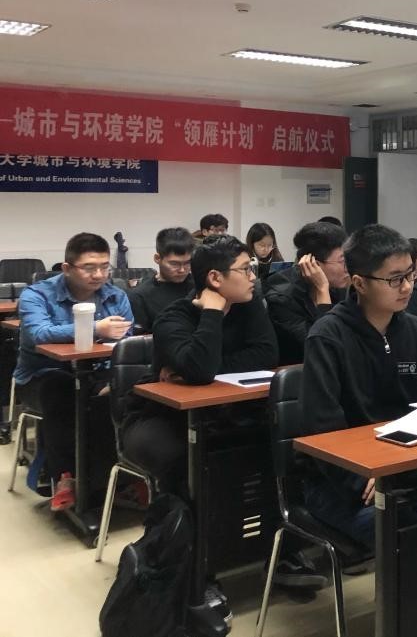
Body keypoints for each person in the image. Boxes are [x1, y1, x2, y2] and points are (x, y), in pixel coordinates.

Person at [120, 235, 288, 622]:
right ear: (214, 278)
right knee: (190, 462)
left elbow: (266, 354)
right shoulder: (173, 317)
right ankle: (197, 569)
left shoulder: (250, 305)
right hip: (159, 418)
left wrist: (208, 368)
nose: (253, 277)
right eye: (244, 270)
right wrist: (211, 315)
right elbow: (199, 369)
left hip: (224, 414)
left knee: (274, 450)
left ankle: (278, 551)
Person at [300, 224, 417, 546]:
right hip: (341, 480)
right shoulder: (327, 337)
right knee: (404, 530)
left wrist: (407, 467)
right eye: (395, 279)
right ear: (359, 283)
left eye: (410, 275)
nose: (407, 287)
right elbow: (322, 428)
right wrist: (361, 474)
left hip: (406, 467)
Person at [15, 232, 133, 511]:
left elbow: (126, 338)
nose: (99, 275)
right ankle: (64, 477)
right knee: (61, 390)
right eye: (89, 268)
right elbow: (39, 333)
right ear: (67, 268)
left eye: (104, 267)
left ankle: (105, 481)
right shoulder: (36, 295)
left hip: (97, 372)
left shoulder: (116, 295)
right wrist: (95, 328)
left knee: (113, 396)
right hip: (42, 375)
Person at [266, 222, 350, 365]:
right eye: (342, 261)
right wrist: (322, 290)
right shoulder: (282, 297)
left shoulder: (340, 286)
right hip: (298, 371)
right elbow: (322, 348)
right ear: (314, 264)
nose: (348, 267)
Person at [129, 227, 195, 332]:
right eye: (174, 264)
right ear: (157, 258)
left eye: (187, 263)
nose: (182, 270)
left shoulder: (200, 286)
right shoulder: (140, 296)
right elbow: (141, 338)